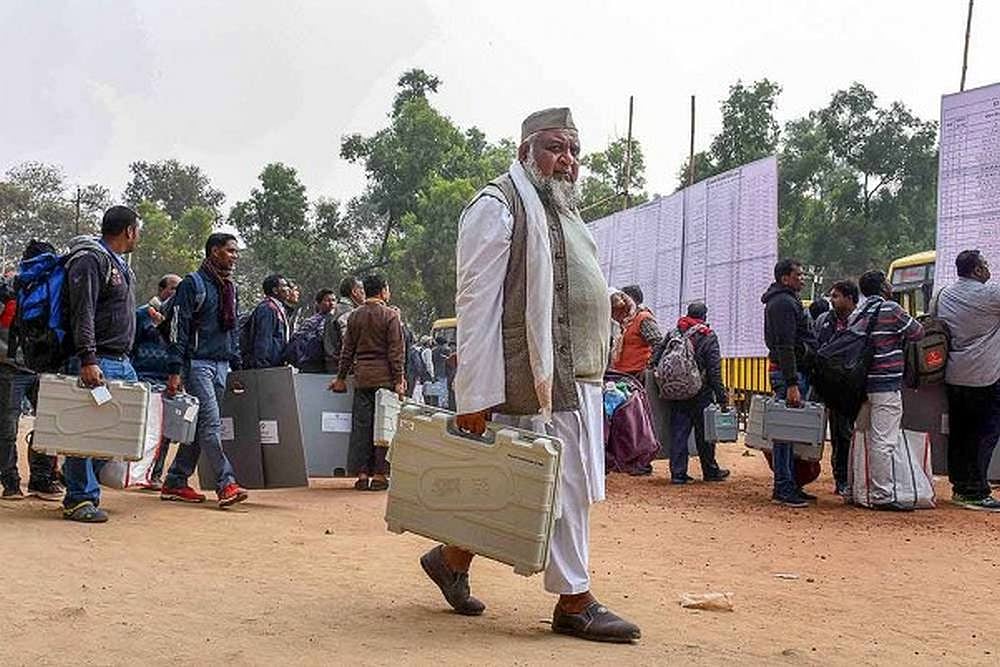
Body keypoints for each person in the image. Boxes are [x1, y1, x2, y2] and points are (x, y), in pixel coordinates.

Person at [419, 107, 640, 643]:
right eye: (555, 148)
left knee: (535, 486)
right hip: (539, 375)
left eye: (573, 151)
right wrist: (473, 392)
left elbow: (562, 282)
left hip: (582, 375)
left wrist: (604, 300)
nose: (567, 161)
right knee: (559, 487)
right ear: (525, 153)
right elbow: (476, 303)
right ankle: (573, 601)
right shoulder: (498, 205)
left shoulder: (561, 210)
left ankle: (451, 559)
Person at [62, 206, 142, 522]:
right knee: (85, 430)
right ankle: (79, 499)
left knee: (118, 430)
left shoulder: (120, 265)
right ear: (129, 231)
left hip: (121, 361)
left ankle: (87, 487)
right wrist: (88, 358)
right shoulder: (90, 259)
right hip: (97, 360)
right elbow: (83, 312)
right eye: (138, 230)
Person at [161, 233, 248, 508]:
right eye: (230, 251)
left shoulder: (229, 288)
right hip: (197, 364)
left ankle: (176, 479)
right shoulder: (192, 285)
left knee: (201, 426)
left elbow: (233, 329)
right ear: (214, 252)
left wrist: (236, 365)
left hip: (221, 365)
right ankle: (226, 483)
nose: (235, 256)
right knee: (211, 424)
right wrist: (176, 370)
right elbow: (179, 329)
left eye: (236, 252)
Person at [850, 270, 924, 511]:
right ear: (883, 287)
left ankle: (857, 490)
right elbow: (917, 332)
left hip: (860, 386)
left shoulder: (857, 312)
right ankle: (882, 495)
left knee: (861, 437)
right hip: (886, 384)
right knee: (883, 440)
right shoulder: (890, 309)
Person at [935, 250, 1000, 511]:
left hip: (953, 374)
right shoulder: (990, 295)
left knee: (959, 433)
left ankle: (960, 486)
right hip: (985, 375)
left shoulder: (944, 294)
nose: (987, 268)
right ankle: (976, 490)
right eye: (984, 264)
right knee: (985, 433)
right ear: (976, 271)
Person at [329, 274, 405, 491]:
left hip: (362, 378)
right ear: (383, 291)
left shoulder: (355, 316)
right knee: (383, 428)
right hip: (385, 379)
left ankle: (362, 474)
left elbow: (347, 351)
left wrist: (341, 378)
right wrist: (399, 380)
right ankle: (380, 475)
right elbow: (396, 352)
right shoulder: (391, 316)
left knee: (362, 427)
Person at [762, 258, 817, 509]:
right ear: (785, 278)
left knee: (791, 432)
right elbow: (785, 345)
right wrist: (792, 382)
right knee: (785, 433)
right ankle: (783, 487)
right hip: (788, 375)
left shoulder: (785, 300)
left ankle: (790, 483)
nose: (802, 278)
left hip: (791, 372)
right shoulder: (783, 303)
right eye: (798, 274)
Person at [661, 302, 730, 484]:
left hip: (676, 391)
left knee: (679, 432)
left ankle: (678, 474)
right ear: (704, 316)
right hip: (701, 391)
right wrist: (722, 397)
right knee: (704, 433)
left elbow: (656, 357)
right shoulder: (707, 335)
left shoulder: (673, 333)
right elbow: (714, 370)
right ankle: (710, 471)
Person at [131, 273, 181, 490]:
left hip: (167, 379)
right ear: (162, 290)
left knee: (165, 431)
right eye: (173, 288)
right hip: (144, 378)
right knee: (143, 429)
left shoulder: (179, 318)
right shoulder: (143, 314)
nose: (176, 293)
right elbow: (130, 344)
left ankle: (155, 475)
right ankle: (136, 472)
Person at [813, 280, 858, 497]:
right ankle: (840, 477)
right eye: (832, 296)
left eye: (836, 296)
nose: (832, 300)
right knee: (834, 432)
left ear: (850, 299)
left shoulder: (859, 321)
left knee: (848, 434)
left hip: (852, 385)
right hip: (829, 384)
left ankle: (848, 477)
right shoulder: (824, 321)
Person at [610, 289, 662, 377]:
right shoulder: (625, 323)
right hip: (622, 374)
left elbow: (658, 344)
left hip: (637, 374)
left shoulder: (643, 318)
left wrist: (648, 368)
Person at [243, 273, 291, 369]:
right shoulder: (267, 309)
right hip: (267, 367)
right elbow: (263, 339)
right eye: (284, 286)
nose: (288, 289)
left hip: (276, 365)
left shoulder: (279, 308)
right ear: (275, 290)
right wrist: (263, 365)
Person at [288, 288, 336, 373]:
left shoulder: (337, 320)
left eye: (333, 300)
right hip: (313, 365)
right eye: (327, 300)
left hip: (329, 365)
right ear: (318, 303)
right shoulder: (311, 322)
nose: (331, 303)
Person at [323, 276, 364, 373]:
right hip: (343, 371)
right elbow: (349, 344)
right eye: (362, 289)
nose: (364, 293)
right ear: (354, 292)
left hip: (331, 367)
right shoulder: (347, 313)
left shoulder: (335, 310)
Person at [425, 335, 451, 408]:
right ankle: (442, 405)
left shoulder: (433, 350)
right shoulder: (446, 350)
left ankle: (435, 404)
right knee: (443, 390)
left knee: (436, 390)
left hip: (435, 372)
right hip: (443, 373)